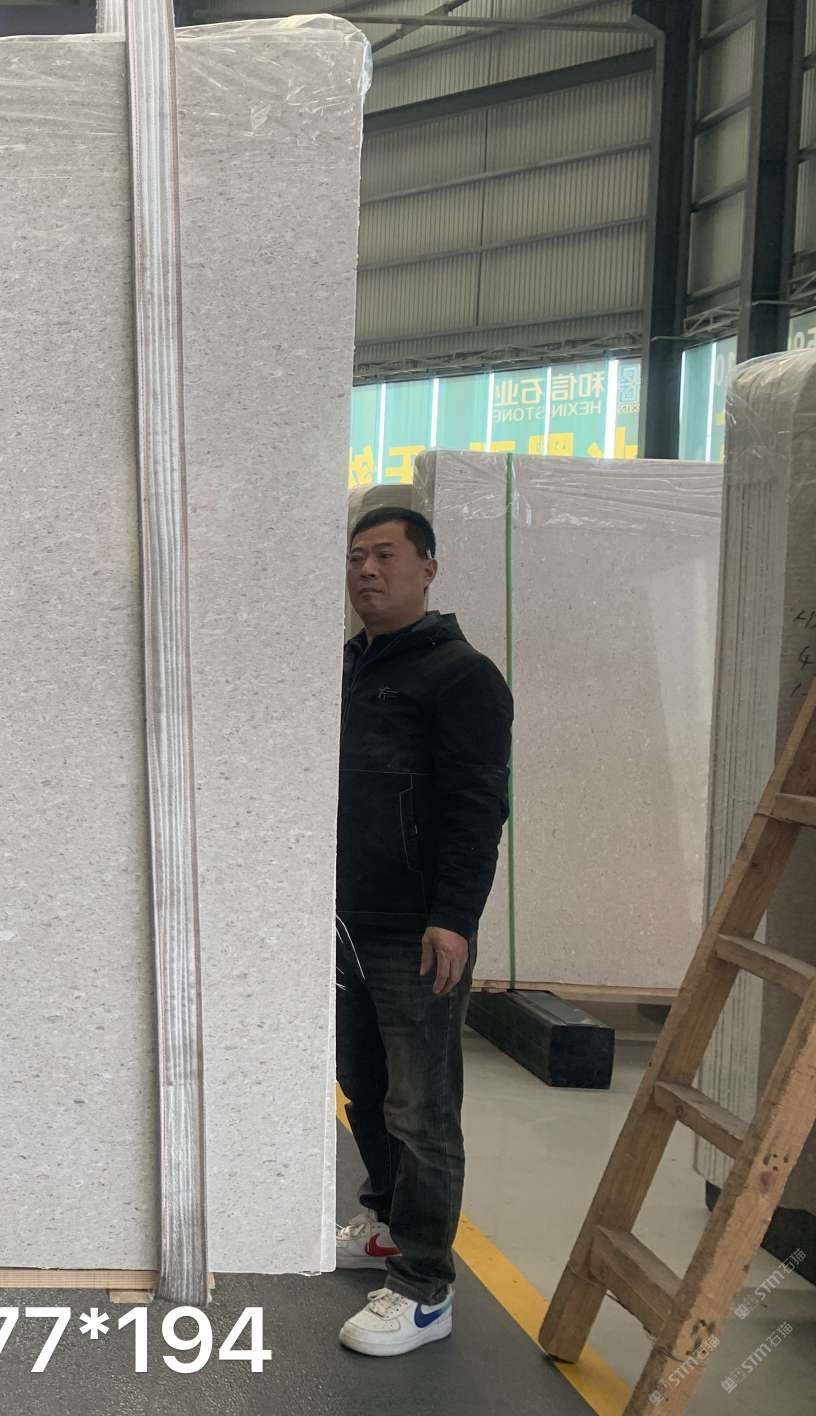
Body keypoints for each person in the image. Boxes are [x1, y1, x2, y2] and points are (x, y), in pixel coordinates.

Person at [333, 505, 512, 1357]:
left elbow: (480, 807)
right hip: (343, 917)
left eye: (386, 555)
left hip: (416, 929)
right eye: (356, 557)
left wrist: (454, 918)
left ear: (428, 567)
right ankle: (385, 1223)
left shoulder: (461, 675)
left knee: (423, 1107)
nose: (367, 571)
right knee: (363, 1087)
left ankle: (425, 1285)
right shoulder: (347, 666)